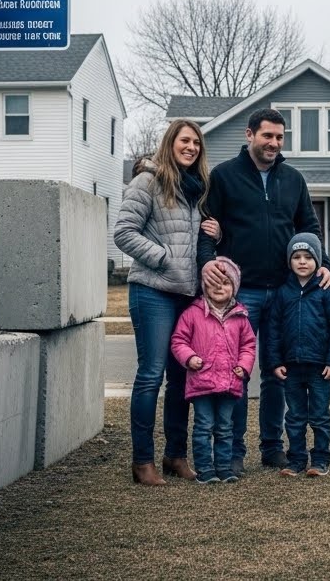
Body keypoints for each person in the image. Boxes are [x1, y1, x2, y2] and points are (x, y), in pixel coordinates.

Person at [198, 107, 330, 475]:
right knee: (236, 372)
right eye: (267, 136)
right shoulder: (224, 176)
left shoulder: (292, 179)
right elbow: (207, 228)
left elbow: (309, 226)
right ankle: (234, 450)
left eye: (279, 137)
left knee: (277, 373)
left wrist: (323, 265)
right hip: (241, 294)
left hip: (286, 293)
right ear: (249, 135)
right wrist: (207, 265)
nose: (274, 143)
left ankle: (272, 449)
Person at [114, 119, 220, 486]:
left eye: (196, 143)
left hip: (187, 296)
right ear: (170, 143)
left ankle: (176, 455)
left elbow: (198, 241)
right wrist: (162, 257)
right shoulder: (148, 181)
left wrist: (216, 234)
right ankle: (142, 462)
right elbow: (123, 233)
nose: (191, 147)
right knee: (151, 375)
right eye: (184, 141)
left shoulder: (198, 190)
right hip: (153, 291)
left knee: (182, 378)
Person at [264, 233, 330, 477]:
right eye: (297, 257)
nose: (302, 262)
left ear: (318, 261)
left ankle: (320, 460)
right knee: (295, 416)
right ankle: (296, 460)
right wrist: (276, 361)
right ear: (289, 261)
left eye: (308, 257)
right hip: (291, 368)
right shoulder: (282, 293)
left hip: (319, 367)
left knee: (320, 416)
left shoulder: (326, 290)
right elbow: (273, 330)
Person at [170, 256, 256, 484]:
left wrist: (244, 366)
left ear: (234, 288)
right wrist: (189, 358)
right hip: (202, 382)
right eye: (214, 282)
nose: (220, 287)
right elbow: (178, 340)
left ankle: (224, 468)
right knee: (203, 426)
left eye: (226, 283)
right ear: (204, 285)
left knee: (225, 427)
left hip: (230, 383)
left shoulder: (240, 317)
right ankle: (205, 469)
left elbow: (248, 345)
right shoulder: (192, 313)